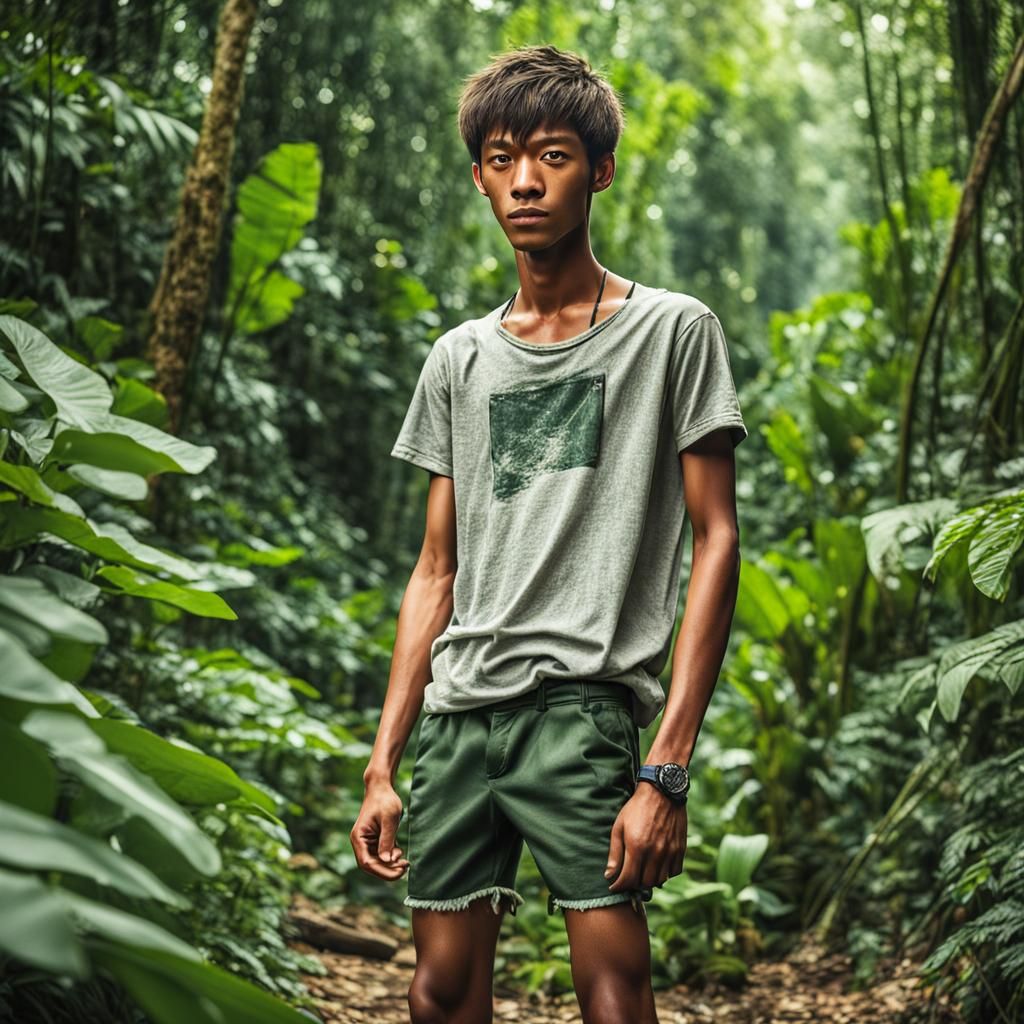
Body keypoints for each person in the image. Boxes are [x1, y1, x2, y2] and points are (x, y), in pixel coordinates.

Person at [351, 43, 748, 1024]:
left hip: (582, 715)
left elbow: (717, 543)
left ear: (600, 169)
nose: (524, 180)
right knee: (440, 991)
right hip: (457, 718)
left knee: (612, 988)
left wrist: (664, 767)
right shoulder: (458, 358)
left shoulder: (673, 332)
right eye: (499, 158)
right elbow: (435, 569)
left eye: (554, 155)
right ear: (480, 174)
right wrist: (382, 762)